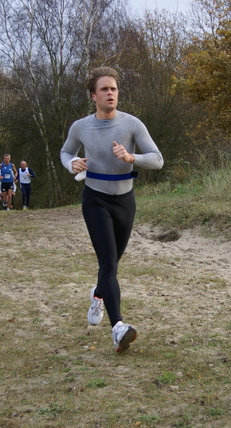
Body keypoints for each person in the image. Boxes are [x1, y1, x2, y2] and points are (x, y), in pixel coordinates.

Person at [60, 67, 164, 352]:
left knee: (113, 263)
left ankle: (98, 294)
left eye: (114, 89)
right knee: (108, 263)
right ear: (93, 95)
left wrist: (132, 156)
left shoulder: (132, 125)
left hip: (125, 200)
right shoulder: (81, 127)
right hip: (95, 198)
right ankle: (118, 327)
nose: (110, 93)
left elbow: (157, 160)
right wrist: (72, 164)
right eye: (104, 89)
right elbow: (65, 152)